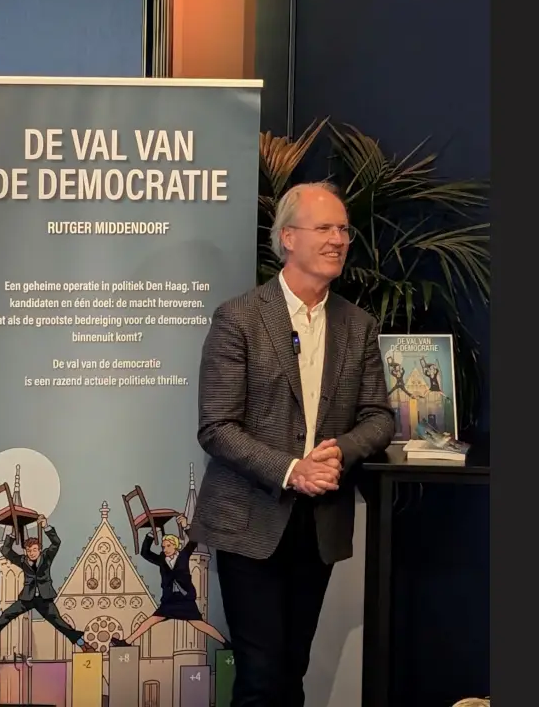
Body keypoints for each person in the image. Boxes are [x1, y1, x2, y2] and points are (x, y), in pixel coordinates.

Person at [190, 182, 396, 707]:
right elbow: (217, 426)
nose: (338, 240)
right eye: (324, 228)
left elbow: (379, 417)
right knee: (260, 678)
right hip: (249, 519)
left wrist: (338, 453)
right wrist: (291, 470)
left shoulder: (358, 325)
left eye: (343, 229)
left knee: (291, 672)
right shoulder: (238, 318)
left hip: (318, 522)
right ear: (288, 238)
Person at [0, 515, 88, 652]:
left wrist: (46, 527)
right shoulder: (22, 561)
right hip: (27, 598)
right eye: (29, 550)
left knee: (59, 623)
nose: (32, 553)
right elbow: (5, 550)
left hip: (44, 599)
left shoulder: (46, 557)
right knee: (6, 616)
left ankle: (83, 644)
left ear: (39, 549)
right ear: (25, 551)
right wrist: (13, 533)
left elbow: (56, 543)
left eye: (34, 550)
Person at [110, 514, 230, 649]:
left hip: (184, 599)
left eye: (168, 546)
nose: (165, 549)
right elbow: (145, 553)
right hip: (170, 599)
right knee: (152, 620)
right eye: (163, 546)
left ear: (175, 545)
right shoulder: (162, 560)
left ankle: (226, 643)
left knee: (199, 624)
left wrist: (186, 526)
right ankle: (127, 642)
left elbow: (193, 542)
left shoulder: (184, 555)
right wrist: (151, 535)